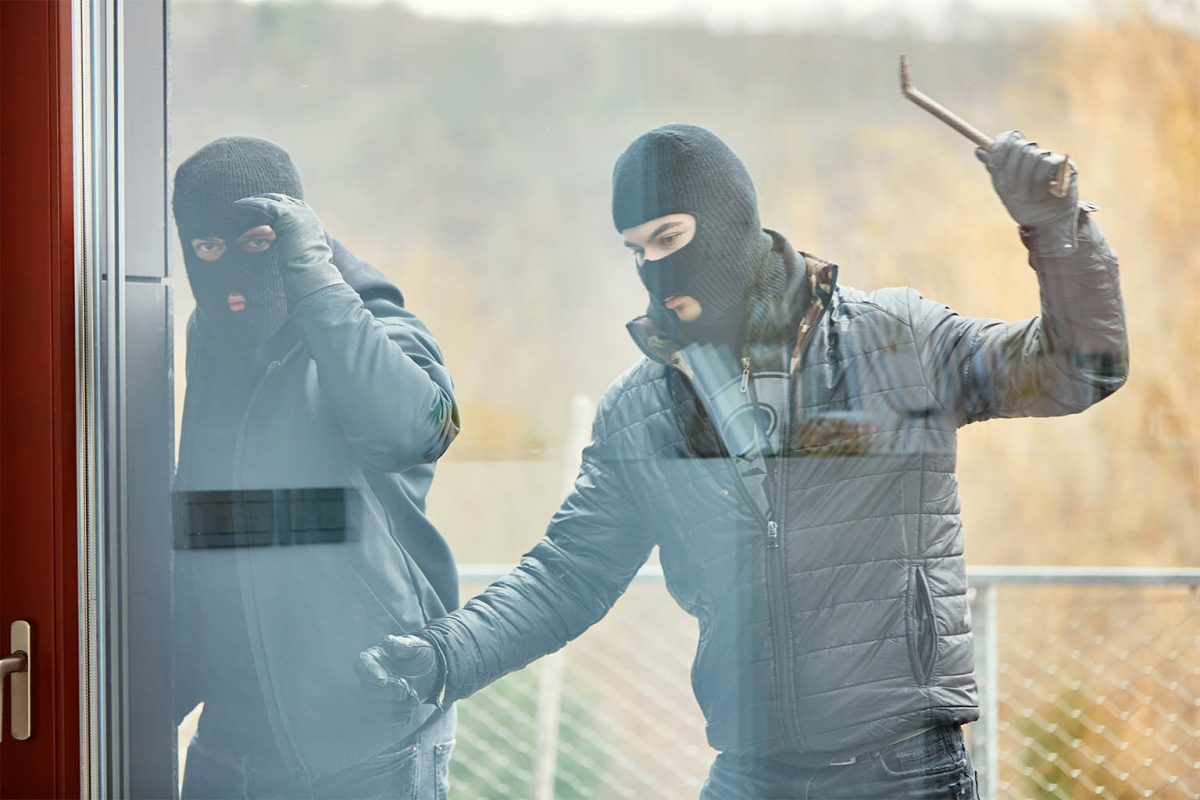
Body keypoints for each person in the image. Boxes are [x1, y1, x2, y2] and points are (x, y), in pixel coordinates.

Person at [357, 124, 1128, 798]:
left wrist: (1056, 229)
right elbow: (567, 575)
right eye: (636, 251)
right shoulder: (643, 411)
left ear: (730, 224)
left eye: (670, 238)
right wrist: (439, 659)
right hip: (753, 770)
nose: (655, 270)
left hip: (904, 772)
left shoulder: (898, 340)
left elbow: (1078, 367)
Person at [170, 136, 461, 799]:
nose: (230, 273)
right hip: (232, 737)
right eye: (207, 250)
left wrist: (315, 281)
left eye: (255, 244)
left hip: (364, 733)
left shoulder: (364, 317)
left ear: (295, 234)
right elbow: (205, 505)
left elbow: (421, 431)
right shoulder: (209, 333)